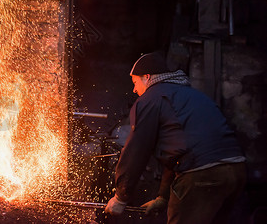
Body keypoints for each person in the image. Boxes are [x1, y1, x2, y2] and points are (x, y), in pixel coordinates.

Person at [105, 52, 246, 224]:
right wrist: (162, 197)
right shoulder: (191, 95)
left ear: (147, 77)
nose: (134, 89)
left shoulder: (151, 99)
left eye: (135, 82)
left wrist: (121, 197)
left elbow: (136, 150)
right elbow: (178, 152)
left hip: (202, 176)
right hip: (236, 171)